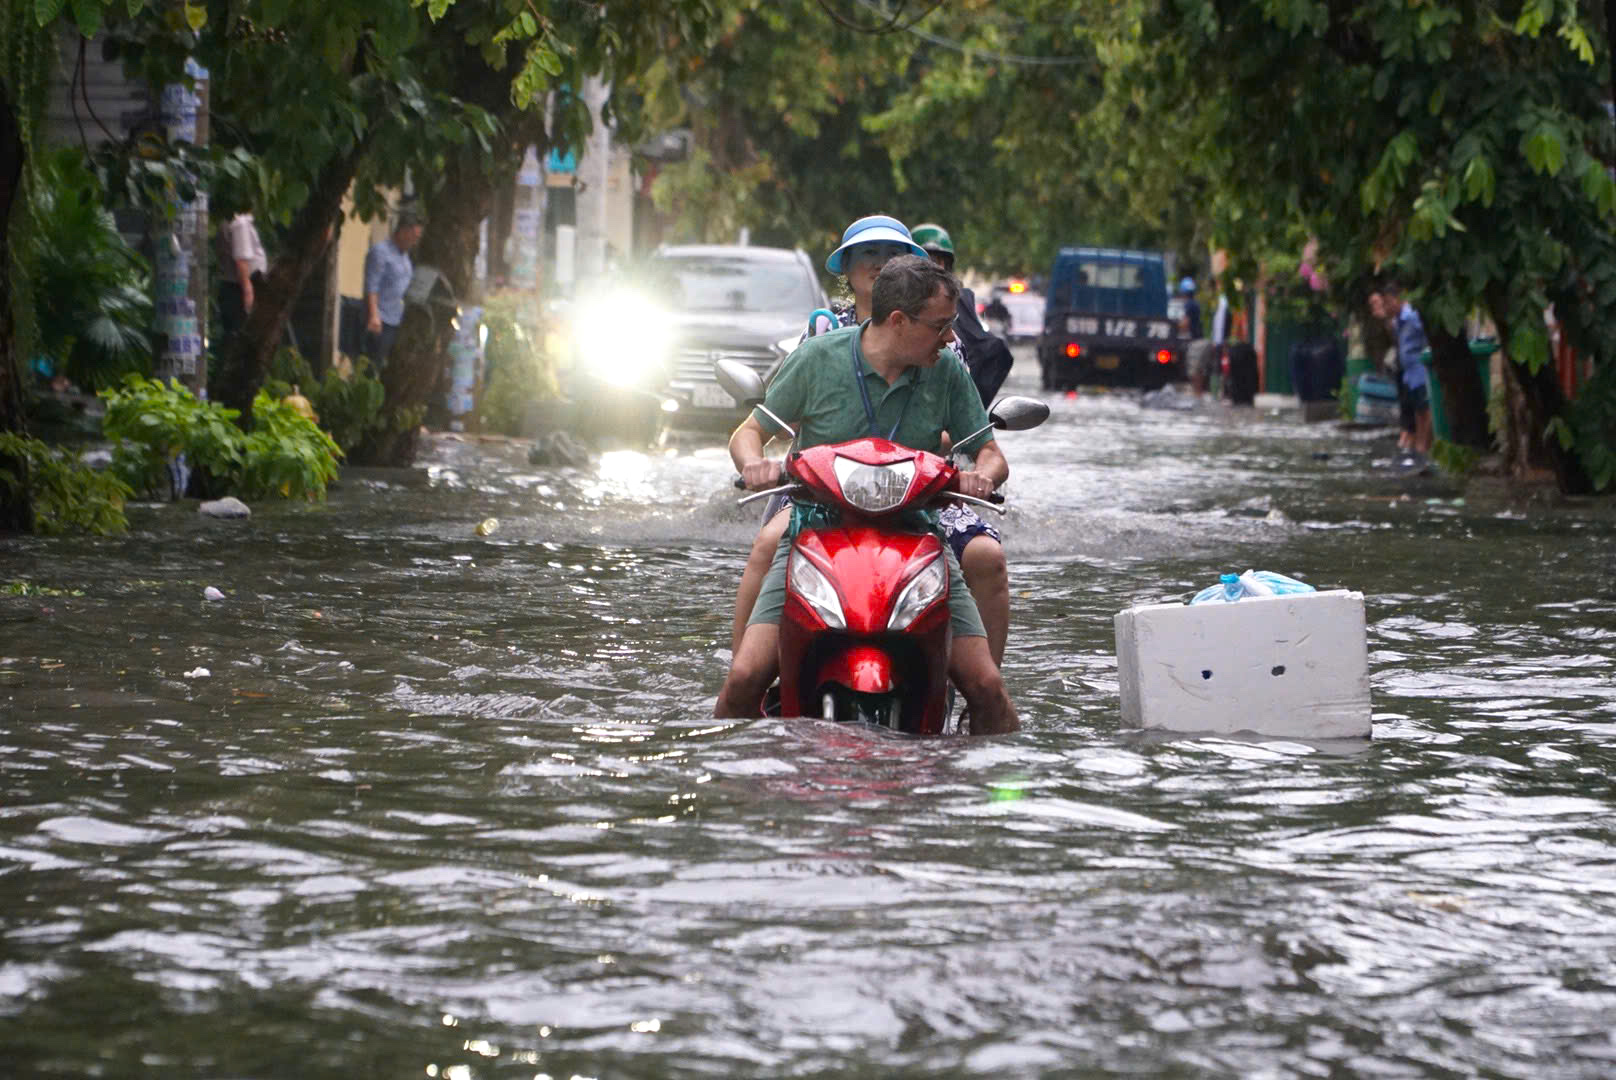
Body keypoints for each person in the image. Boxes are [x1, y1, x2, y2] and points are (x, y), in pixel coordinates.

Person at [714, 255, 1018, 734]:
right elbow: (747, 433)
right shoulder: (817, 359)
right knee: (744, 679)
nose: (952, 339)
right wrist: (754, 464)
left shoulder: (946, 372)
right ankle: (737, 783)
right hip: (814, 532)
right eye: (940, 327)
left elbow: (991, 453)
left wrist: (982, 474)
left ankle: (987, 795)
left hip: (919, 538)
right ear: (898, 321)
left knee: (987, 690)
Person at [1369, 280, 1432, 455]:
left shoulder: (1412, 316)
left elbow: (1427, 336)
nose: (1387, 306)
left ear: (1399, 299)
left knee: (1425, 410)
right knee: (1418, 412)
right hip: (1409, 373)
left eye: (1388, 302)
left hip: (1420, 371)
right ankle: (1419, 448)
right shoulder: (1398, 321)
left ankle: (1425, 447)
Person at [363, 208, 425, 365]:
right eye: (414, 236)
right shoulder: (381, 252)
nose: (415, 241)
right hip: (381, 320)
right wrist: (373, 315)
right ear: (403, 231)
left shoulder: (405, 257)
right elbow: (372, 285)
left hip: (397, 320)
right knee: (373, 365)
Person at [216, 208, 268, 347]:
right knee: (241, 339)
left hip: (234, 288)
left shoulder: (236, 221)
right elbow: (241, 259)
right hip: (239, 290)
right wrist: (248, 291)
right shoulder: (241, 223)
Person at [1179, 275, 1214, 397]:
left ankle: (1197, 395)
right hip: (1200, 340)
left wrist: (1175, 327)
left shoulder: (1188, 305)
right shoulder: (1195, 304)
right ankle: (1199, 394)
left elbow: (1185, 323)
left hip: (1196, 342)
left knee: (1195, 371)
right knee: (1199, 370)